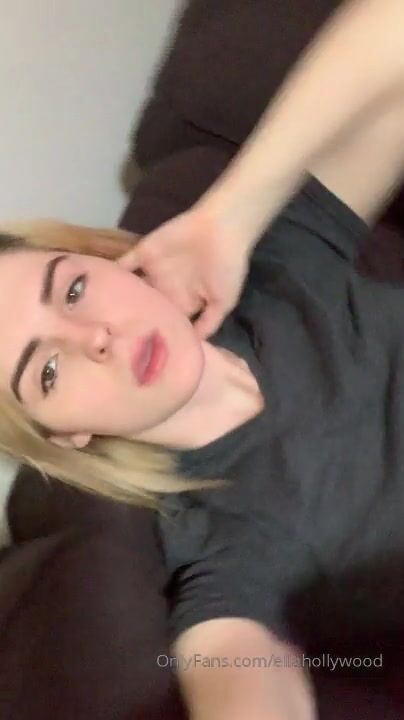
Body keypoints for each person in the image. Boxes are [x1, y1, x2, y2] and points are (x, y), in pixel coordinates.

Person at [1, 0, 404, 717]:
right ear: (64, 434)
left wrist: (232, 215)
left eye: (74, 288)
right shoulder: (227, 542)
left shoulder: (282, 261)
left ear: (107, 259)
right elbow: (234, 670)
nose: (94, 337)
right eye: (48, 372)